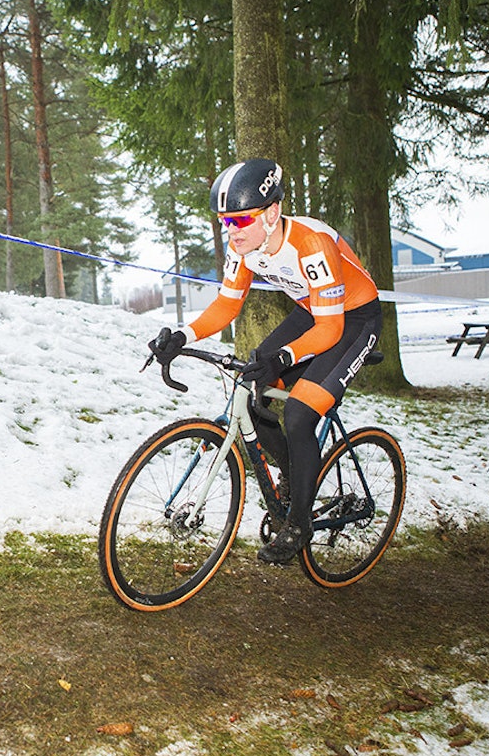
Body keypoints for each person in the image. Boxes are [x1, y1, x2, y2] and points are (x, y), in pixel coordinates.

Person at [149, 158, 382, 565]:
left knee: (298, 414)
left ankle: (300, 523)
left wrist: (284, 358)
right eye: (225, 222)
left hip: (354, 319)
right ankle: (295, 475)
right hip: (312, 312)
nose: (230, 231)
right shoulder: (245, 249)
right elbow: (226, 305)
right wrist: (182, 336)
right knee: (251, 384)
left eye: (239, 221)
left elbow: (330, 331)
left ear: (272, 212)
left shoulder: (311, 244)